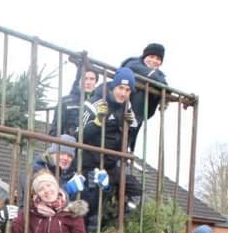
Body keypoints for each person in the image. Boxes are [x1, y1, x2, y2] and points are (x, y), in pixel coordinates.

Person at [78, 67, 144, 221]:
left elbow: (130, 136)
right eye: (120, 88)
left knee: (136, 190)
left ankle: (111, 219)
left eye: (127, 90)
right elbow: (79, 134)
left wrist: (131, 126)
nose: (123, 93)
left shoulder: (127, 106)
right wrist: (97, 122)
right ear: (114, 86)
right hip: (91, 163)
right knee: (90, 211)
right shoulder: (95, 102)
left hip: (113, 164)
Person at [120, 43, 168, 124]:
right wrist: (163, 87)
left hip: (137, 117)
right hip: (121, 111)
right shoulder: (133, 63)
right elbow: (156, 79)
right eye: (151, 57)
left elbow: (163, 85)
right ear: (144, 56)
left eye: (158, 59)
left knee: (130, 135)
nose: (154, 61)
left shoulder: (158, 74)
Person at [52, 57, 100, 137]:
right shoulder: (66, 101)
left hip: (89, 146)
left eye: (92, 79)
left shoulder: (98, 103)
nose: (88, 82)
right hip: (68, 144)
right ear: (79, 81)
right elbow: (55, 129)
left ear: (96, 82)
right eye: (85, 78)